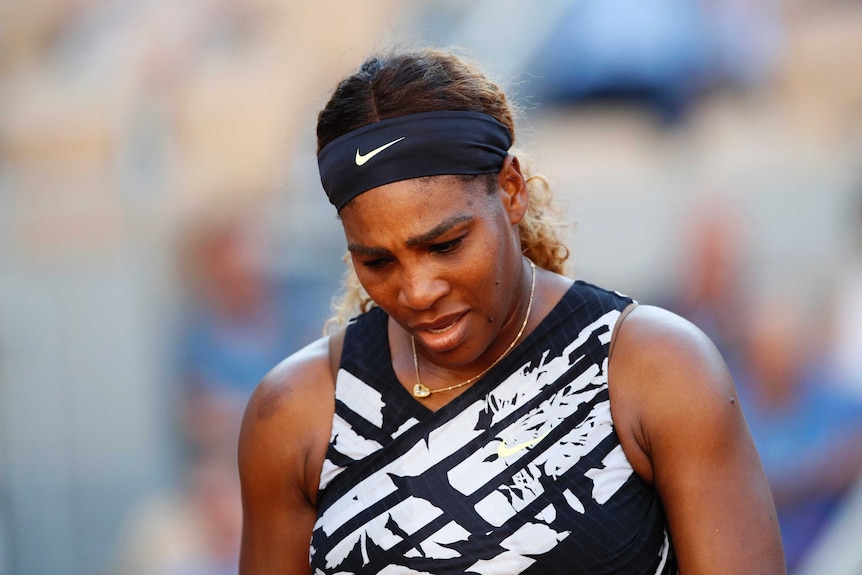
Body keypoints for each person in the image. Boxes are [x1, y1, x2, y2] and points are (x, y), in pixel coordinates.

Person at [237, 48, 785, 574]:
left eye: (446, 244)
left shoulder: (656, 369)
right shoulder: (295, 414)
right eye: (378, 261)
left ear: (512, 188)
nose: (418, 290)